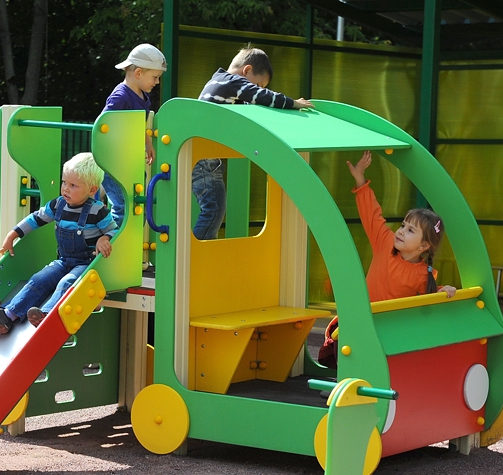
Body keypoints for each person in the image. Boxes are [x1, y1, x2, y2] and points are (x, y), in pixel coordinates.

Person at [318, 151, 457, 367]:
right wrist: (360, 179)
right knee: (348, 350)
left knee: (382, 359)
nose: (401, 231)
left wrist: (443, 291)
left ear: (423, 246)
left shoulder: (423, 274)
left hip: (388, 331)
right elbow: (372, 215)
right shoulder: (385, 243)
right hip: (362, 321)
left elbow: (428, 301)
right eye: (403, 225)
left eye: (410, 230)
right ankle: (346, 378)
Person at [0, 153, 115, 333]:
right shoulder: (58, 205)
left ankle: (47, 315)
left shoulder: (98, 211)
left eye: (73, 185)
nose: (66, 189)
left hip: (86, 265)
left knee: (67, 282)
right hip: (63, 261)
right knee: (39, 279)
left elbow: (115, 230)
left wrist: (105, 238)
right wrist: (13, 235)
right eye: (64, 182)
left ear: (91, 189)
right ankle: (8, 315)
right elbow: (36, 219)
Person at [193, 47, 314, 240]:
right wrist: (293, 103)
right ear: (247, 70)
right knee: (213, 209)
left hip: (206, 160)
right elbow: (263, 97)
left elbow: (251, 109)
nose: (259, 89)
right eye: (258, 84)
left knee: (214, 208)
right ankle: (196, 252)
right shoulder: (232, 82)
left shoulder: (221, 84)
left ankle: (202, 248)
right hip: (204, 162)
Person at [100, 43, 166, 225]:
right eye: (155, 77)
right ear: (138, 73)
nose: (157, 82)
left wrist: (147, 143)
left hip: (129, 162)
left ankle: (126, 239)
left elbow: (138, 124)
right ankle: (113, 239)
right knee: (123, 207)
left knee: (136, 205)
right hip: (114, 162)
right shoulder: (121, 97)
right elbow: (103, 126)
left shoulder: (142, 96)